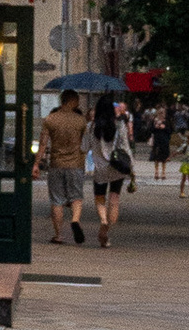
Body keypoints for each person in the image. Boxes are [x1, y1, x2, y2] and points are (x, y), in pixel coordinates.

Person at [39, 84, 90, 245]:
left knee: (57, 200)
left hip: (56, 164)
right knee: (76, 197)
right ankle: (75, 220)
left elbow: (42, 144)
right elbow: (86, 145)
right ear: (73, 101)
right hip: (75, 164)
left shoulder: (50, 119)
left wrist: (36, 163)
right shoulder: (81, 121)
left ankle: (58, 234)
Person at [88, 93, 134, 248]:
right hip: (117, 167)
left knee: (100, 198)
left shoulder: (91, 127)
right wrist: (132, 169)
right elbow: (125, 148)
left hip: (100, 169)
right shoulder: (119, 125)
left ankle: (103, 219)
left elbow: (83, 148)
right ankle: (106, 231)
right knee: (114, 199)